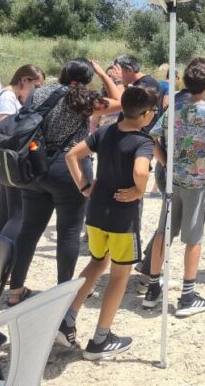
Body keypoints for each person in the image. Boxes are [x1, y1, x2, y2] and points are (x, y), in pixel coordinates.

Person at [6, 59, 121, 306]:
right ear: (88, 78)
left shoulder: (39, 92)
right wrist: (105, 75)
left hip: (35, 165)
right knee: (68, 232)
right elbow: (120, 101)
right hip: (69, 168)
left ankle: (15, 291)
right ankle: (63, 292)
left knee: (29, 231)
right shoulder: (84, 99)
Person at [56, 85, 157, 359]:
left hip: (96, 213)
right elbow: (141, 171)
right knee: (119, 275)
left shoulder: (105, 131)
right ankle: (101, 339)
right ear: (145, 114)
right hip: (123, 220)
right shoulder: (143, 141)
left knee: (97, 263)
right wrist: (138, 190)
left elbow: (71, 155)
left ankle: (67, 320)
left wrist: (84, 186)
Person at [142, 60, 205, 317]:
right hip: (197, 182)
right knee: (193, 238)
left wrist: (165, 161)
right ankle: (188, 296)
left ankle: (153, 289)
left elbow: (151, 136)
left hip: (173, 180)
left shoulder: (175, 109)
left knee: (163, 233)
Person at [0, 64, 45, 285]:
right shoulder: (7, 98)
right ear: (24, 80)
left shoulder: (6, 95)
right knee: (18, 215)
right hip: (12, 161)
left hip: (6, 162)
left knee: (3, 213)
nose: (37, 91)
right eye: (36, 85)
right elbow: (9, 129)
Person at [114, 55, 161, 132]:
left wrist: (118, 81)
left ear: (130, 70)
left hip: (140, 134)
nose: (115, 74)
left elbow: (125, 105)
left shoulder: (147, 85)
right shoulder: (138, 84)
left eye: (118, 71)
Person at [89, 63, 124, 133]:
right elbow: (95, 118)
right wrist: (91, 134)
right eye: (107, 76)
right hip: (103, 131)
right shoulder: (101, 92)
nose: (108, 79)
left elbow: (122, 104)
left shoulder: (127, 92)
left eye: (112, 76)